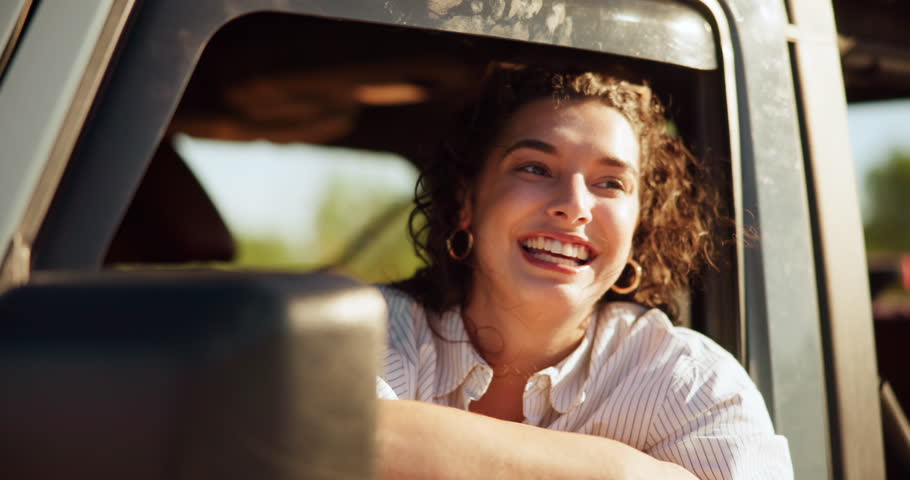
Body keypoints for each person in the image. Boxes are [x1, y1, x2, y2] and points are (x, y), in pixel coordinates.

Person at [374, 64, 793, 479]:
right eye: (535, 168)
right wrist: (627, 472)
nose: (574, 206)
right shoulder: (376, 330)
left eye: (610, 183)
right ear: (466, 201)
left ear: (639, 226)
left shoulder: (693, 380)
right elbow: (350, 434)